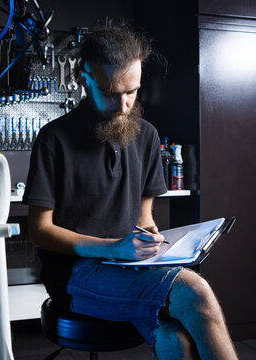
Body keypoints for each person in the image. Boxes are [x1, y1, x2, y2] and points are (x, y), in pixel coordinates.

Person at [23, 25, 237, 359]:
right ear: (85, 77)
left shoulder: (147, 136)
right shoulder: (53, 139)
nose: (123, 105)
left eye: (132, 92)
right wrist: (114, 248)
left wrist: (154, 241)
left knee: (174, 340)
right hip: (75, 273)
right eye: (110, 92)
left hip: (130, 268)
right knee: (195, 291)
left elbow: (143, 220)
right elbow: (40, 231)